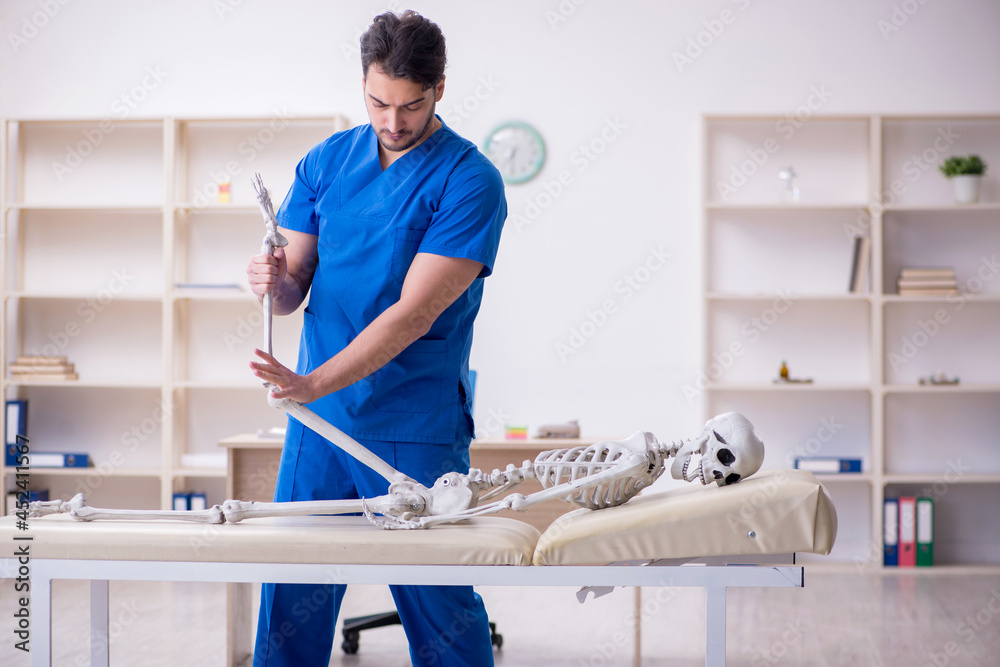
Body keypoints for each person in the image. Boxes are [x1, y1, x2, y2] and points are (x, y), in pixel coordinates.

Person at [244, 10, 506, 667]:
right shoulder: (326, 162)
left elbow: (414, 314)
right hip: (320, 423)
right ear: (363, 86)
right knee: (292, 594)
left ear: (440, 89)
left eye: (410, 106)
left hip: (410, 422)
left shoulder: (469, 180)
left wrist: (311, 381)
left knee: (438, 604)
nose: (392, 122)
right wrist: (269, 277)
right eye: (378, 102)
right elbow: (292, 288)